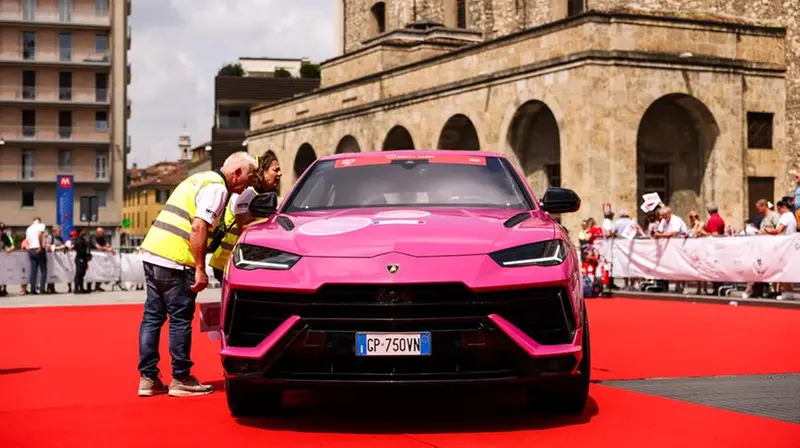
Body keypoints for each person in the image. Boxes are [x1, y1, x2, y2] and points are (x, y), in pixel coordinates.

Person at [136, 152, 256, 397]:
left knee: (152, 317)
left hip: (153, 252)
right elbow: (199, 226)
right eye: (249, 177)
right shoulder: (217, 189)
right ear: (236, 174)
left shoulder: (199, 178)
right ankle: (181, 377)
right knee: (180, 319)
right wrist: (200, 269)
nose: (249, 185)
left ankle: (147, 379)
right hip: (176, 260)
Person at [208, 151, 282, 282]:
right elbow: (245, 227)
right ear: (263, 172)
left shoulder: (264, 195)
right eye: (275, 170)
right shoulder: (246, 194)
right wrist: (275, 222)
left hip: (243, 259)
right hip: (227, 261)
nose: (280, 174)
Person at [25, 217, 47, 295]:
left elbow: (26, 240)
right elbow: (40, 234)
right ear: (39, 221)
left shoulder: (29, 228)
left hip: (31, 249)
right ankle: (42, 289)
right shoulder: (41, 226)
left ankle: (32, 289)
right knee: (43, 270)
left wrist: (29, 248)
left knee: (33, 271)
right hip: (39, 249)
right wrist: (40, 246)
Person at [73, 228, 92, 294]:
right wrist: (86, 255)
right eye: (84, 231)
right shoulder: (78, 240)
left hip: (83, 259)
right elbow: (80, 250)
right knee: (78, 274)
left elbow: (87, 248)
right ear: (80, 232)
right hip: (80, 258)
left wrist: (89, 255)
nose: (85, 232)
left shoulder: (83, 240)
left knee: (82, 274)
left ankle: (81, 288)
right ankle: (76, 289)